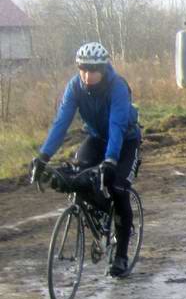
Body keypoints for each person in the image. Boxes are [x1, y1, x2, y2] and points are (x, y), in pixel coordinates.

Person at [30, 42, 141, 278]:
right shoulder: (75, 87)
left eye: (93, 71)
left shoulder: (117, 86)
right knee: (79, 172)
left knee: (118, 187)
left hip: (125, 141)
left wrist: (111, 160)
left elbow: (117, 125)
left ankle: (121, 254)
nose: (87, 76)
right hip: (97, 138)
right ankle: (99, 210)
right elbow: (61, 123)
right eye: (83, 70)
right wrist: (43, 156)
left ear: (103, 69)